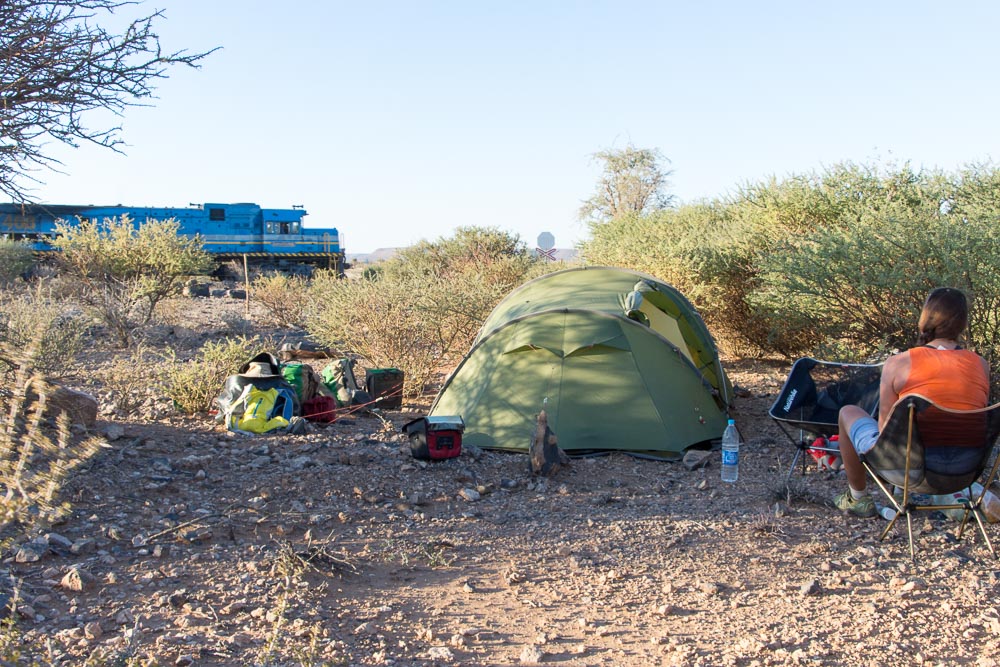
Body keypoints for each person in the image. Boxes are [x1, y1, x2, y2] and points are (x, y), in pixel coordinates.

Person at [834, 287, 991, 517]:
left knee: (848, 412)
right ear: (963, 324)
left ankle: (857, 498)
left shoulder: (899, 363)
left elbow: (885, 430)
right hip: (964, 469)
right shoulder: (981, 365)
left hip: (907, 470)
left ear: (926, 318)